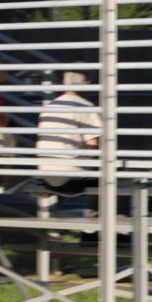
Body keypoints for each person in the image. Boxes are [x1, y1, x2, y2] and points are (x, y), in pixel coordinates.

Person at [37, 71, 102, 204]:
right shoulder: (85, 106)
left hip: (46, 176)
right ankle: (102, 217)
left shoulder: (49, 107)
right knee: (114, 180)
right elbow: (93, 145)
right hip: (71, 178)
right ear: (87, 84)